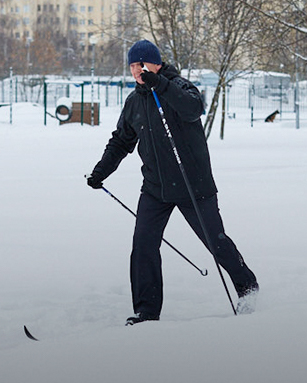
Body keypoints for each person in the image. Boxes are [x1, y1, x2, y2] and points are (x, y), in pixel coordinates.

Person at [86, 40, 259, 325]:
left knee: (216, 243)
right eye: (132, 65)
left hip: (194, 186)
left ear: (156, 64)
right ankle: (146, 311)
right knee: (143, 245)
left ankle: (248, 290)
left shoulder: (179, 87)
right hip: (155, 189)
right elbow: (121, 141)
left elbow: (193, 108)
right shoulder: (134, 102)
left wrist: (161, 85)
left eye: (142, 64)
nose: (137, 70)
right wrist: (101, 172)